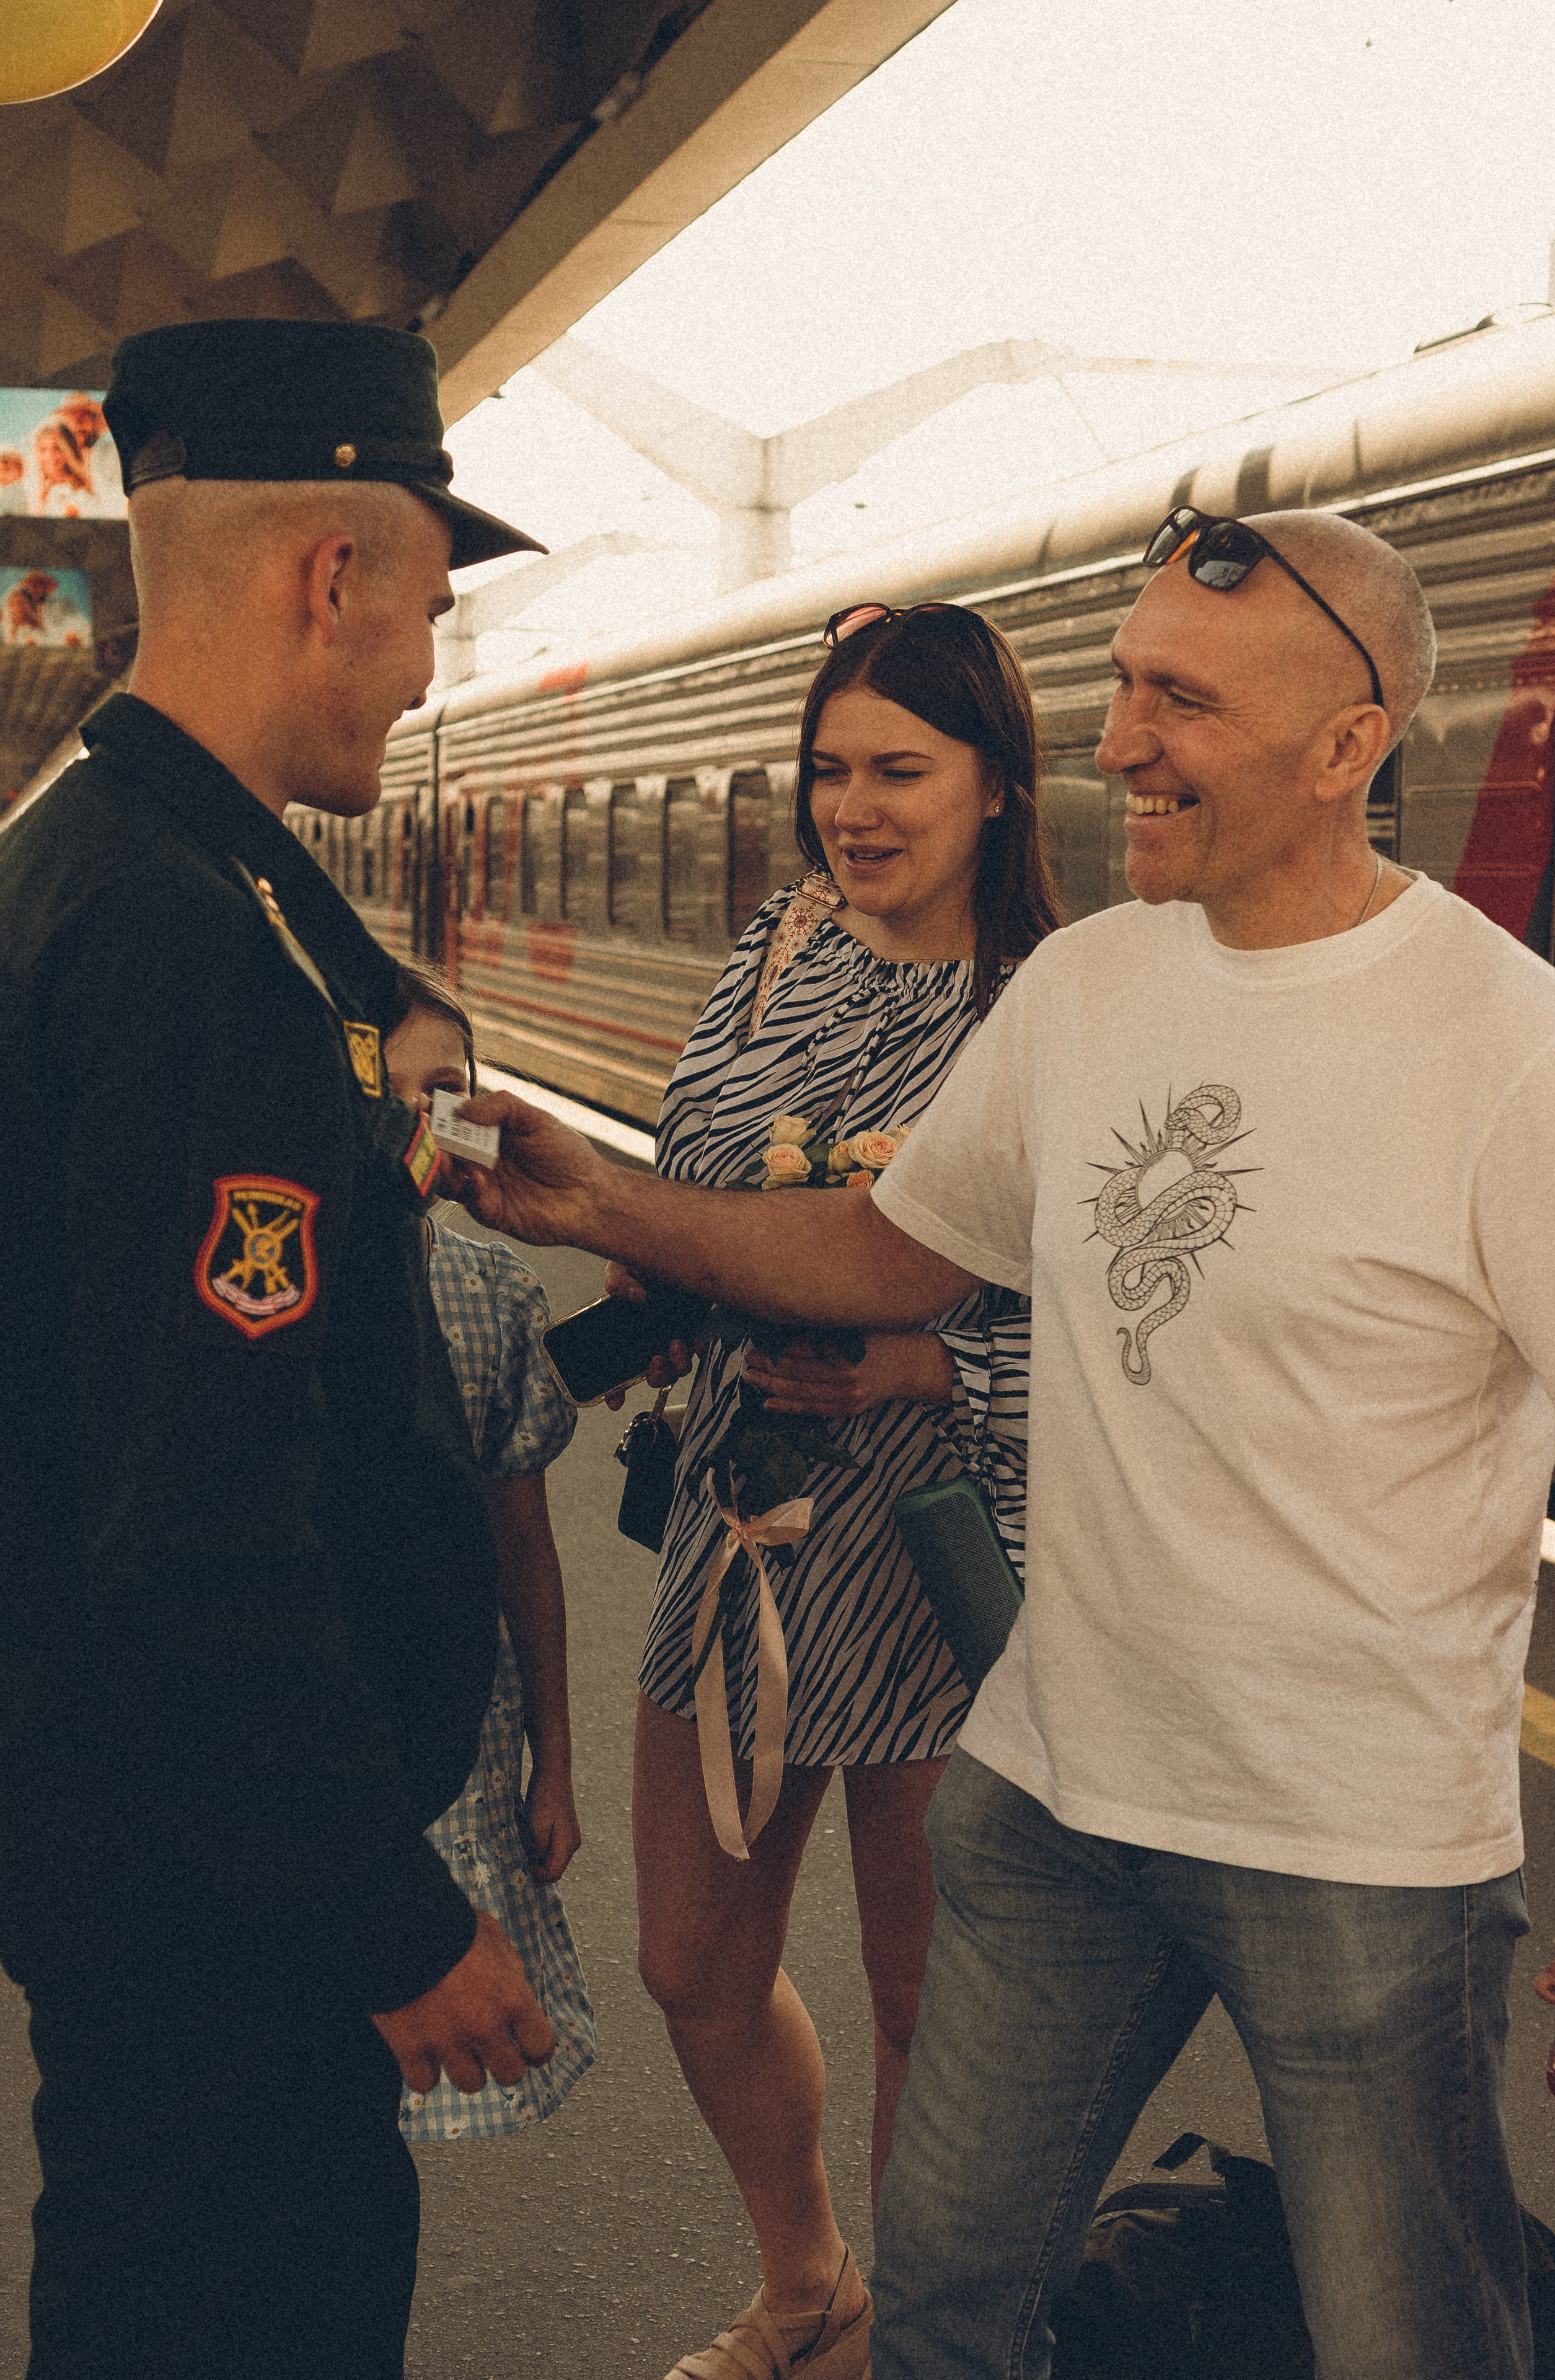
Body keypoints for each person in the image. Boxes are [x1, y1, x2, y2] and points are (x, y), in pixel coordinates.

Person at [448, 504, 1555, 2380]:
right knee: (956, 2317)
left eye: (1183, 702)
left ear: (1349, 747)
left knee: (1414, 2346)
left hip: (1361, 1854)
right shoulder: (1094, 986)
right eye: (1124, 684)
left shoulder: (1514, 1057)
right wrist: (615, 1213)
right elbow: (896, 1245)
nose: (1121, 739)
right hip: (1056, 1797)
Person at [0, 315, 555, 2380]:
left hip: (138, 1842)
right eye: (419, 610)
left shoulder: (104, 866)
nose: (426, 667)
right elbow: (203, 1528)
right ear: (332, 578)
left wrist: (405, 1093)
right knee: (233, 2312)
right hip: (215, 1887)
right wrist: (390, 1919)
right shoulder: (182, 945)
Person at [610, 602, 1057, 2380]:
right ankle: (811, 2282)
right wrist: (663, 1286)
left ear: (998, 789)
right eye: (829, 770)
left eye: (899, 772)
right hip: (748, 1512)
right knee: (691, 1962)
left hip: (950, 1534)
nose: (852, 809)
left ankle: (927, 2350)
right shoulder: (772, 951)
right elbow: (697, 1172)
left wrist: (930, 1359)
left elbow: (1124, 1309)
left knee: (923, 2004)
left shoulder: (1049, 1007)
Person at [382, 961, 596, 2146]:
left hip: (469, 1726)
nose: (420, 1122)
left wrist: (553, 1763)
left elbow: (528, 1547)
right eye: (390, 1092)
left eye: (446, 1092)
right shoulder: (277, 1288)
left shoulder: (491, 1293)